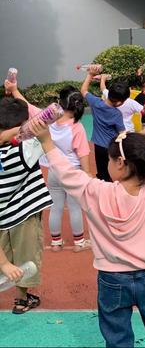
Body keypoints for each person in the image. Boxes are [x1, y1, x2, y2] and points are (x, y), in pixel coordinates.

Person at [30, 117, 145, 347]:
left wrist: (47, 142)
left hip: (111, 279)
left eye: (109, 159)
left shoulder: (96, 192)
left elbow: (68, 174)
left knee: (117, 336)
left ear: (120, 163)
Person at [6, 81, 92, 252]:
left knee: (56, 206)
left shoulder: (47, 118)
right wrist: (87, 173)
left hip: (54, 170)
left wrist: (15, 89)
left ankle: (56, 242)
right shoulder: (77, 127)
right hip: (72, 171)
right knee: (75, 207)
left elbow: (28, 107)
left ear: (60, 103)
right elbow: (83, 153)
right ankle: (79, 242)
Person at [0, 97, 52, 314]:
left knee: (6, 258)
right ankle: (21, 300)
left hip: (1, 216)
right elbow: (45, 123)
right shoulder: (26, 150)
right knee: (26, 257)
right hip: (25, 213)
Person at [80, 71, 126, 181]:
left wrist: (90, 75)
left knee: (101, 172)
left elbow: (84, 91)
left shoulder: (96, 103)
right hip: (111, 147)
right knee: (113, 174)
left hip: (98, 146)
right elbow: (122, 133)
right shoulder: (116, 114)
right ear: (119, 102)